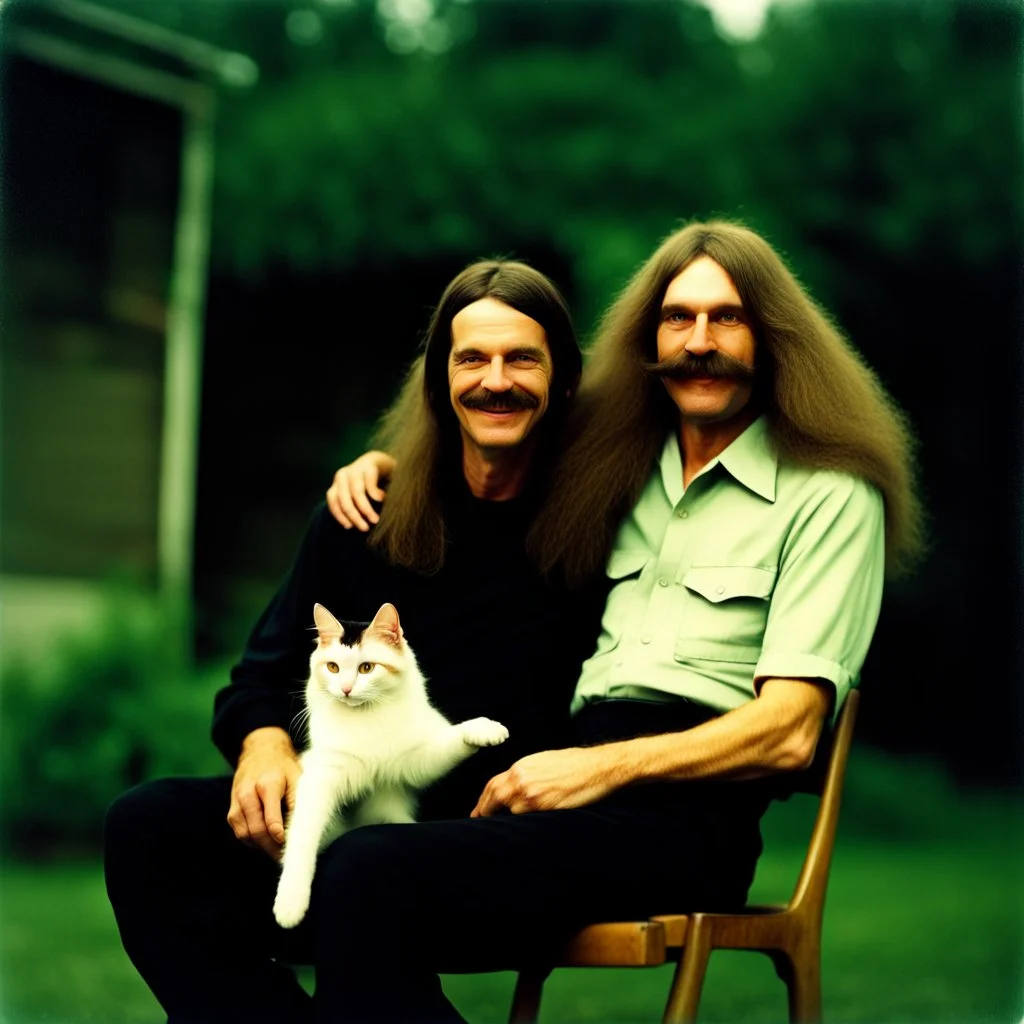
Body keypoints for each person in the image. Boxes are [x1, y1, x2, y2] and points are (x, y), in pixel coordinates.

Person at [311, 219, 924, 1022]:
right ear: (650, 338)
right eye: (678, 318)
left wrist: (598, 769)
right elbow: (494, 438)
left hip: (686, 821)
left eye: (727, 317)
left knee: (367, 873)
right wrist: (391, 467)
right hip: (563, 795)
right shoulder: (611, 464)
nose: (699, 340)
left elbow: (790, 730)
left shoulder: (831, 494)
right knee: (353, 876)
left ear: (773, 337)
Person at [103, 258, 608, 1024]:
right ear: (439, 379)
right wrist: (265, 746)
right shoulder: (365, 516)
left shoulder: (602, 526)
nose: (494, 379)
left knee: (365, 874)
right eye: (471, 358)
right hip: (348, 816)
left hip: (495, 844)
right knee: (148, 828)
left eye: (522, 359)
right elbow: (260, 674)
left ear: (563, 380)